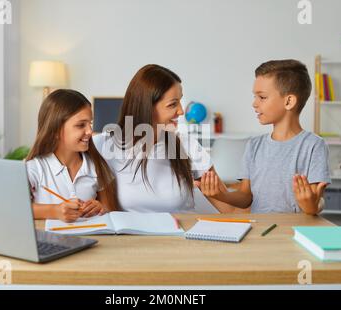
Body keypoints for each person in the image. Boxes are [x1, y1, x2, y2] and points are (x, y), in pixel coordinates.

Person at [197, 59, 331, 214]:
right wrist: (221, 195)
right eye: (255, 97)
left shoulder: (314, 146)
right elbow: (246, 197)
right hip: (258, 231)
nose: (254, 103)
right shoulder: (254, 145)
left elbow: (313, 205)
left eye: (262, 97)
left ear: (289, 101)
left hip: (294, 232)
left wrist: (310, 205)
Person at [93, 64, 216, 213]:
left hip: (181, 233)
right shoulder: (103, 145)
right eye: (172, 104)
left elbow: (229, 207)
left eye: (180, 102)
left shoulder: (187, 144)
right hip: (131, 235)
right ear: (147, 107)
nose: (181, 111)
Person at [26, 89, 118, 222]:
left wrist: (100, 208)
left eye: (90, 124)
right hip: (50, 240)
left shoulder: (97, 166)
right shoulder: (35, 168)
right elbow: (13, 208)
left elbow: (111, 209)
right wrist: (54, 211)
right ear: (56, 130)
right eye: (81, 125)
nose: (90, 131)